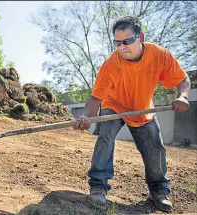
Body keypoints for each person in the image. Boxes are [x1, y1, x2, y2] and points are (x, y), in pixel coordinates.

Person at [73, 16, 191, 213]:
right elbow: (95, 98)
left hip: (143, 109)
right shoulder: (111, 64)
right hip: (115, 105)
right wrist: (87, 118)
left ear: (141, 37)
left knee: (155, 148)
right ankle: (98, 188)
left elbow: (183, 80)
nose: (122, 47)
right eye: (117, 42)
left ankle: (159, 192)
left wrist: (184, 96)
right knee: (105, 138)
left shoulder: (159, 55)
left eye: (127, 41)